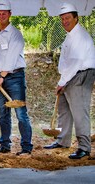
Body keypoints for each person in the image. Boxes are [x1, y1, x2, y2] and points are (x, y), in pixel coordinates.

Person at [43, 3, 95, 159]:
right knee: (64, 109)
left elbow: (75, 63)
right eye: (62, 19)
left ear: (76, 18)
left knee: (80, 112)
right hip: (71, 75)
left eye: (67, 18)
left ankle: (84, 148)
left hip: (81, 75)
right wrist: (62, 80)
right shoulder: (70, 35)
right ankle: (63, 140)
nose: (64, 21)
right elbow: (66, 63)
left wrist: (62, 82)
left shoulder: (80, 36)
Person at [0, 0, 33, 155]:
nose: (1, 16)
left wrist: (3, 76)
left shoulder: (15, 34)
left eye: (4, 13)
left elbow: (12, 58)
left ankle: (26, 147)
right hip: (0, 77)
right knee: (3, 114)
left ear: (10, 14)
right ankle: (5, 145)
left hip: (15, 77)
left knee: (20, 113)